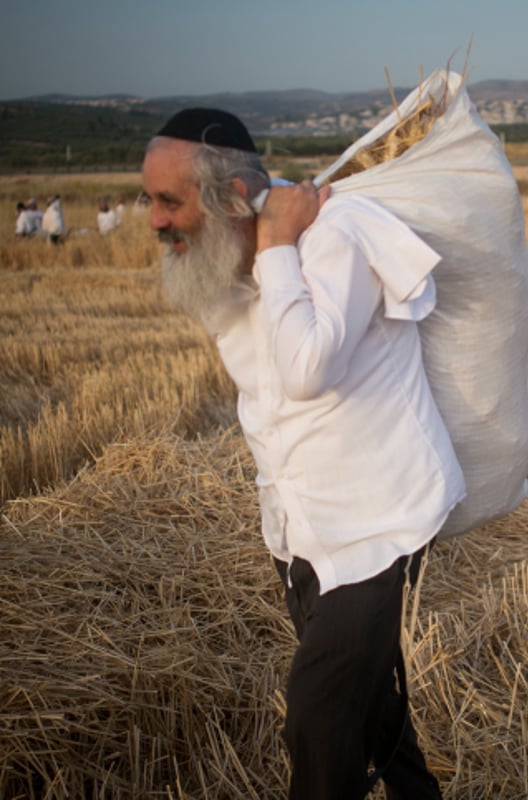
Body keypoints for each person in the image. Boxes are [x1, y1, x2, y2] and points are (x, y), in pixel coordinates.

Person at [141, 107, 465, 800]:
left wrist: (279, 242)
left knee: (317, 722)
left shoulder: (332, 235)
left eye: (169, 201)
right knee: (370, 708)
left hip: (378, 523)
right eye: (150, 199)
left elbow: (306, 369)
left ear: (229, 196)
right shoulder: (221, 258)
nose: (153, 220)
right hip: (300, 529)